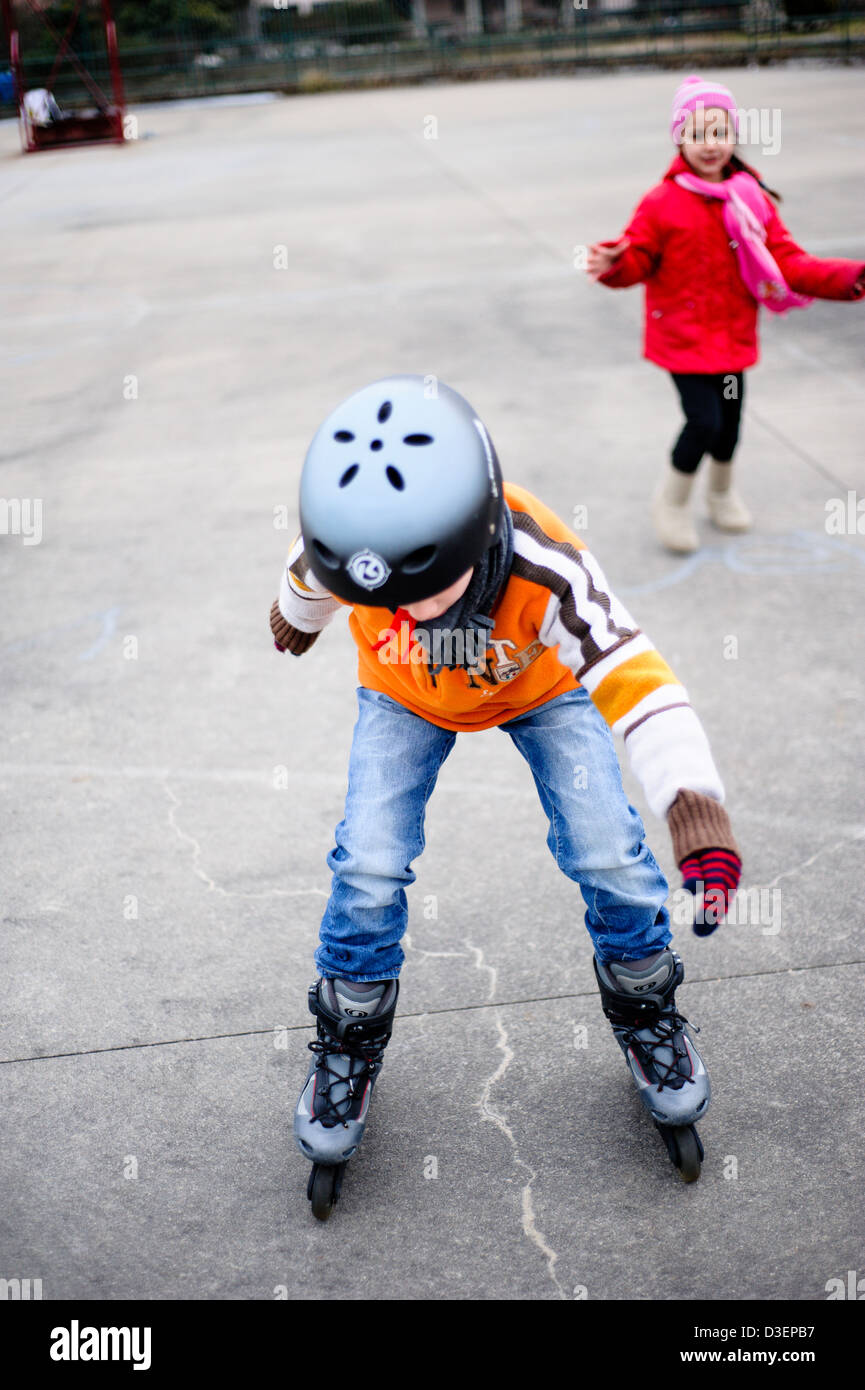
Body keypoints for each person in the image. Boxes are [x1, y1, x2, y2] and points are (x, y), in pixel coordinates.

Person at [271, 375, 742, 1206]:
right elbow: (307, 579)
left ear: (479, 526)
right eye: (388, 597)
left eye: (432, 586)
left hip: (542, 687)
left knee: (607, 848)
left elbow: (638, 677)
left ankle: (645, 1011)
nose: (410, 612)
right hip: (405, 695)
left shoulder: (544, 564)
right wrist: (295, 620)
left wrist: (695, 816)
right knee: (369, 861)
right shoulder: (344, 544)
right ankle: (347, 1038)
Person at [587, 74, 865, 554]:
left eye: (718, 131)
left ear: (733, 134)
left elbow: (789, 263)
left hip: (732, 337)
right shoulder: (661, 202)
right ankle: (672, 503)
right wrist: (615, 265)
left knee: (730, 424)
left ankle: (720, 493)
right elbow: (638, 260)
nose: (709, 144)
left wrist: (852, 276)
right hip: (681, 341)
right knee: (703, 421)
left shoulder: (751, 197)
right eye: (696, 133)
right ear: (680, 138)